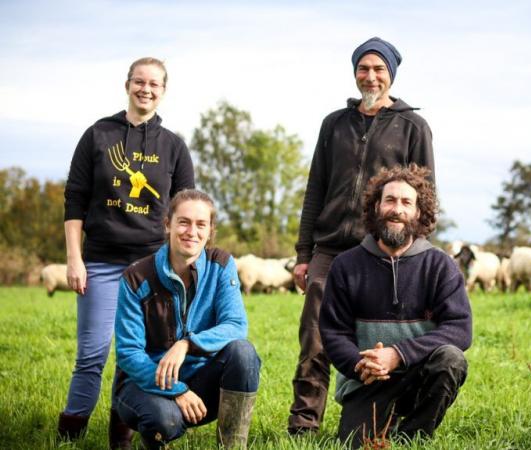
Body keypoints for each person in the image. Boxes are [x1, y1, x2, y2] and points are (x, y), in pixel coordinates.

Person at [289, 36, 435, 435]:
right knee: (316, 338)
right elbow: (315, 188)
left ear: (391, 75)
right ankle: (304, 425)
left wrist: (416, 256)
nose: (370, 77)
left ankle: (389, 415)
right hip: (330, 248)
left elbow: (424, 196)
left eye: (379, 69)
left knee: (383, 335)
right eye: (363, 68)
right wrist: (304, 253)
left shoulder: (413, 127)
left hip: (383, 249)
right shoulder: (333, 124)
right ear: (355, 72)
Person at [58, 57, 195, 448]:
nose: (145, 89)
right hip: (100, 261)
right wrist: (74, 258)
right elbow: (75, 199)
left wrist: (183, 266)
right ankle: (71, 433)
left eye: (154, 84)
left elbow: (186, 209)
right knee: (93, 352)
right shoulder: (98, 135)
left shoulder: (173, 146)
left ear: (163, 90)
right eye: (139, 81)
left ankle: (124, 430)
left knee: (139, 352)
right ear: (127, 84)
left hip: (152, 267)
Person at [319, 164, 472, 447]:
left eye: (406, 202)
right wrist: (360, 364)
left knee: (451, 359)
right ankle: (381, 419)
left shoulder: (440, 265)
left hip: (419, 377)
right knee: (355, 443)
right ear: (376, 206)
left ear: (418, 212)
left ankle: (413, 434)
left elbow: (460, 330)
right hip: (367, 381)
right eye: (389, 200)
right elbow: (333, 332)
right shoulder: (346, 265)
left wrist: (399, 354)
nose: (397, 209)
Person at [114, 189, 260, 449]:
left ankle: (233, 445)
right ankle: (154, 436)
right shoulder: (135, 277)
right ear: (168, 224)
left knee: (244, 352)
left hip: (200, 380)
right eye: (184, 222)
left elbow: (236, 325)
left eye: (201, 224)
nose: (192, 232)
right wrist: (177, 389)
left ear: (210, 229)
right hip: (144, 383)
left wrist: (186, 344)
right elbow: (128, 353)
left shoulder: (222, 264)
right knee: (165, 420)